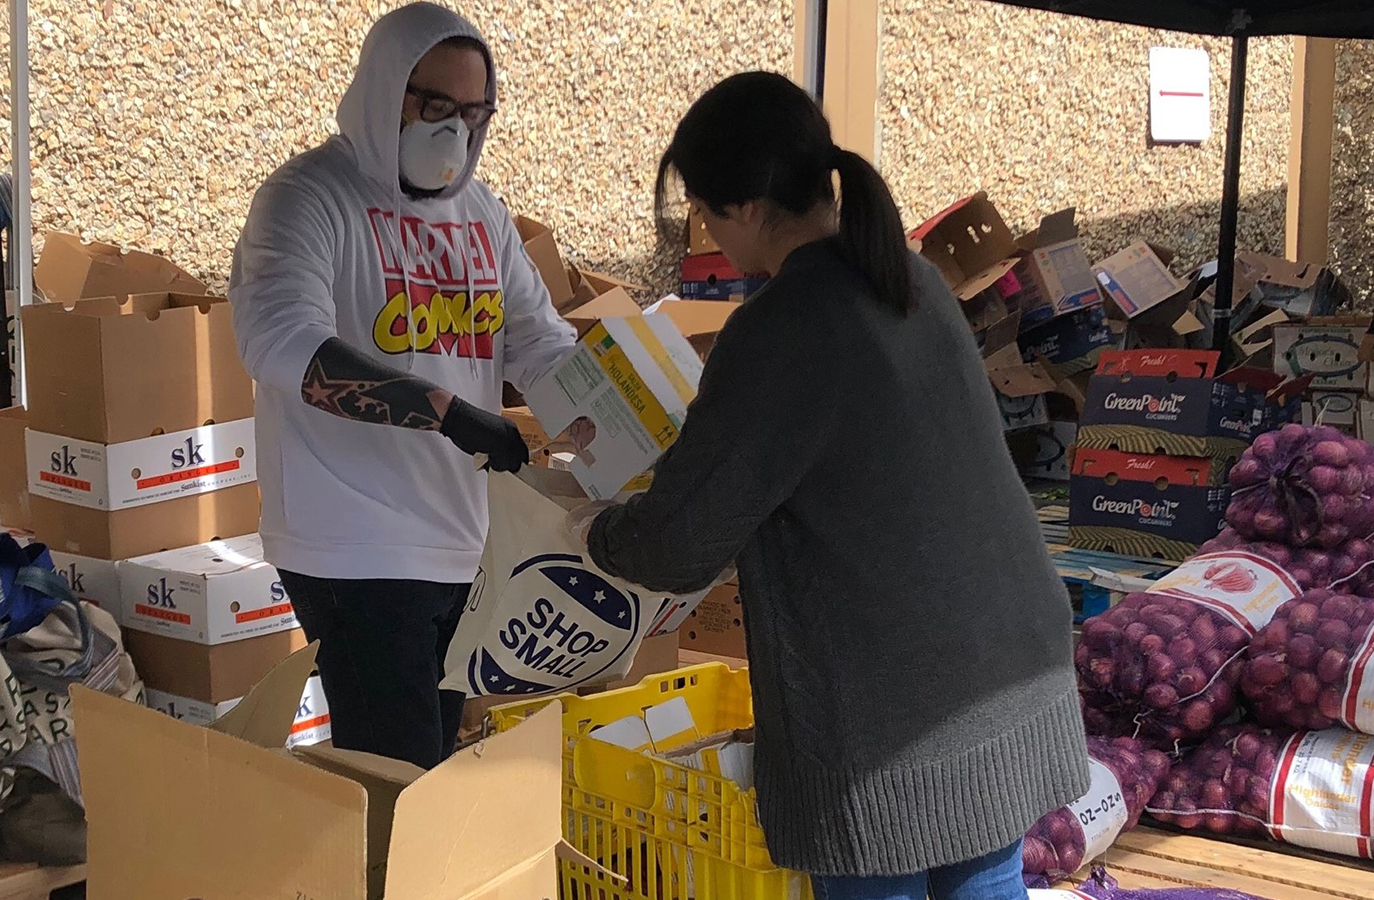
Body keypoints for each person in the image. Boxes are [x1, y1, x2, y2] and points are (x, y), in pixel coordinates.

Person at [578, 72, 1088, 900]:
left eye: (707, 215)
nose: (711, 237)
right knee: (986, 882)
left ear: (743, 209)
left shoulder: (785, 325)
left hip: (893, 710)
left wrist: (589, 529)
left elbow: (677, 543)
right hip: (1006, 658)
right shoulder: (908, 277)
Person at [229, 2, 579, 770]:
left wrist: (615, 425)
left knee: (425, 766)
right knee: (404, 777)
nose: (454, 132)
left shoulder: (481, 214)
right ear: (386, 88)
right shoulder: (308, 199)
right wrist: (448, 413)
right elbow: (284, 343)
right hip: (350, 540)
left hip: (460, 540)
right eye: (434, 106)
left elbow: (538, 341)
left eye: (474, 112)